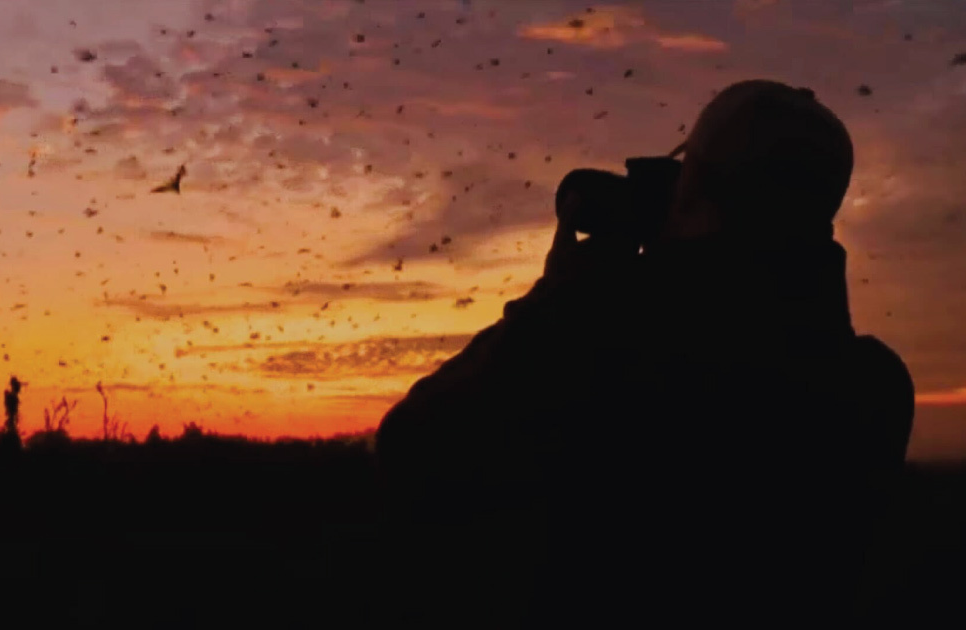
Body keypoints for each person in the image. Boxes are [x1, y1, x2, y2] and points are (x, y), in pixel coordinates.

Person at [375, 80, 914, 626]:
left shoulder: (607, 349)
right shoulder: (874, 384)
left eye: (685, 169)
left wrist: (559, 302)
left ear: (696, 188)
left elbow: (414, 447)